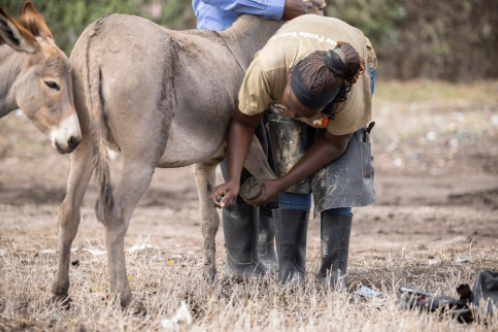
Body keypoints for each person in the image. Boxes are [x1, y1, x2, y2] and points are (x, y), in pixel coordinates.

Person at [210, 14, 378, 291]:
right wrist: (233, 179)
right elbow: (243, 121)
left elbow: (334, 145)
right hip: (292, 50)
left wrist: (278, 184)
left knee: (339, 174)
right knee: (288, 153)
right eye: (290, 106)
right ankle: (291, 273)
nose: (294, 115)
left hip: (353, 58)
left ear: (330, 104)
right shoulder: (268, 67)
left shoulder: (350, 93)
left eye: (304, 113)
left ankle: (332, 275)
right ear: (289, 76)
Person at [192, 0, 314, 279]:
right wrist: (278, 7)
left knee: (272, 148)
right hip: (221, 47)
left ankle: (263, 244)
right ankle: (242, 256)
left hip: (267, 44)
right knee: (237, 144)